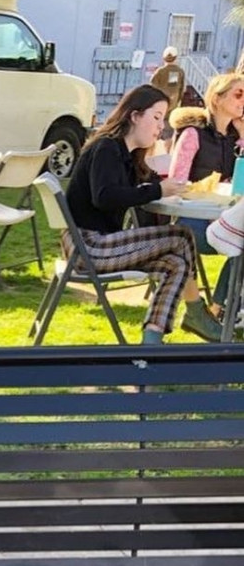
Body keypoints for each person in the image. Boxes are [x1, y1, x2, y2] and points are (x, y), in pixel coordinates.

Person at [65, 84, 222, 344]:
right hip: (88, 247)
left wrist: (161, 186)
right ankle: (197, 313)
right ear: (135, 116)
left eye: (163, 120)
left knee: (176, 264)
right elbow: (104, 197)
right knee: (181, 235)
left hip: (101, 245)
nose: (161, 127)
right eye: (157, 117)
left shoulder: (128, 155)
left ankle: (152, 340)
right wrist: (157, 190)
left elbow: (145, 186)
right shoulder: (106, 148)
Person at [168, 73, 244, 321]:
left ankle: (218, 310)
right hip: (191, 224)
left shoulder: (235, 139)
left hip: (225, 221)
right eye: (239, 94)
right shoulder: (193, 134)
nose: (243, 100)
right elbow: (176, 183)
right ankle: (222, 311)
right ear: (217, 98)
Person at [150, 46, 186, 147]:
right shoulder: (179, 72)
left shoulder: (160, 71)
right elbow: (180, 90)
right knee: (169, 136)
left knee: (154, 136)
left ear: (164, 58)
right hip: (172, 109)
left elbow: (152, 87)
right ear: (176, 57)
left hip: (158, 109)